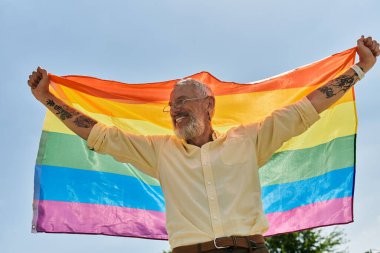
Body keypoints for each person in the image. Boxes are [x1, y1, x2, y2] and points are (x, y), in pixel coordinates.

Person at [28, 36, 379, 253]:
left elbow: (306, 108)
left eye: (183, 102)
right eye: (172, 106)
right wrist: (47, 100)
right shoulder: (159, 151)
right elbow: (99, 134)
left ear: (209, 105)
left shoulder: (249, 140)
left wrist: (360, 69)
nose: (175, 110)